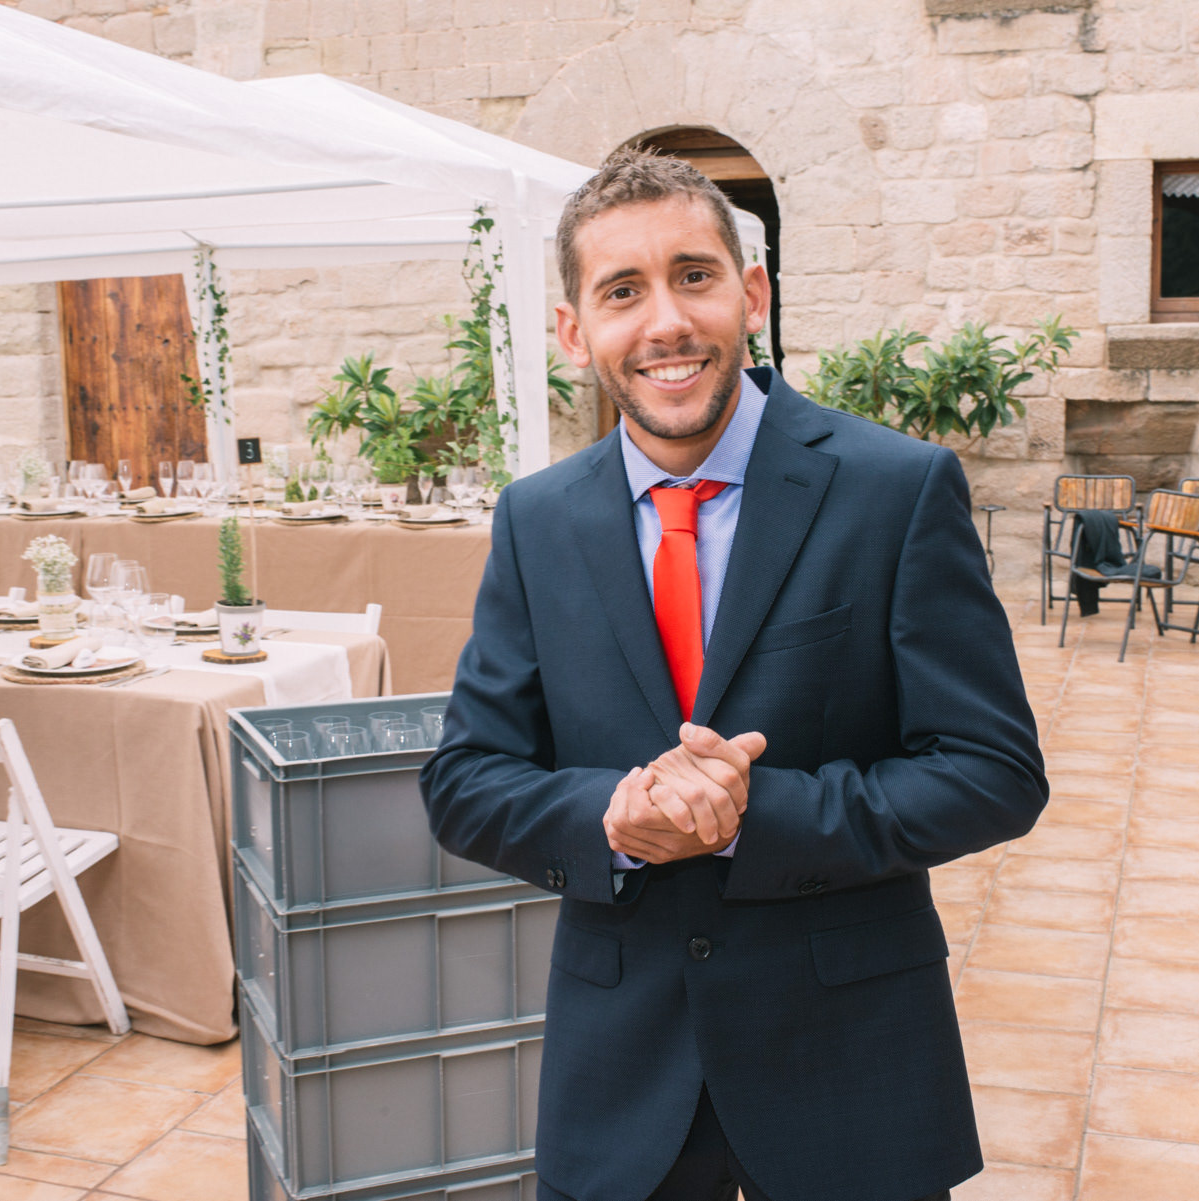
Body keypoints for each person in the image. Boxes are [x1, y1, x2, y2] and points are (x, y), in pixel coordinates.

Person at [420, 149, 1048, 1201]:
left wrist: (754, 817)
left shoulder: (895, 490)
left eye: (694, 276)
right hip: (621, 1076)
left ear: (752, 294)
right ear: (573, 330)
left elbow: (993, 771)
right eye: (623, 291)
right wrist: (616, 817)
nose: (665, 321)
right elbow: (466, 781)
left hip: (851, 1063)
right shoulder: (537, 521)